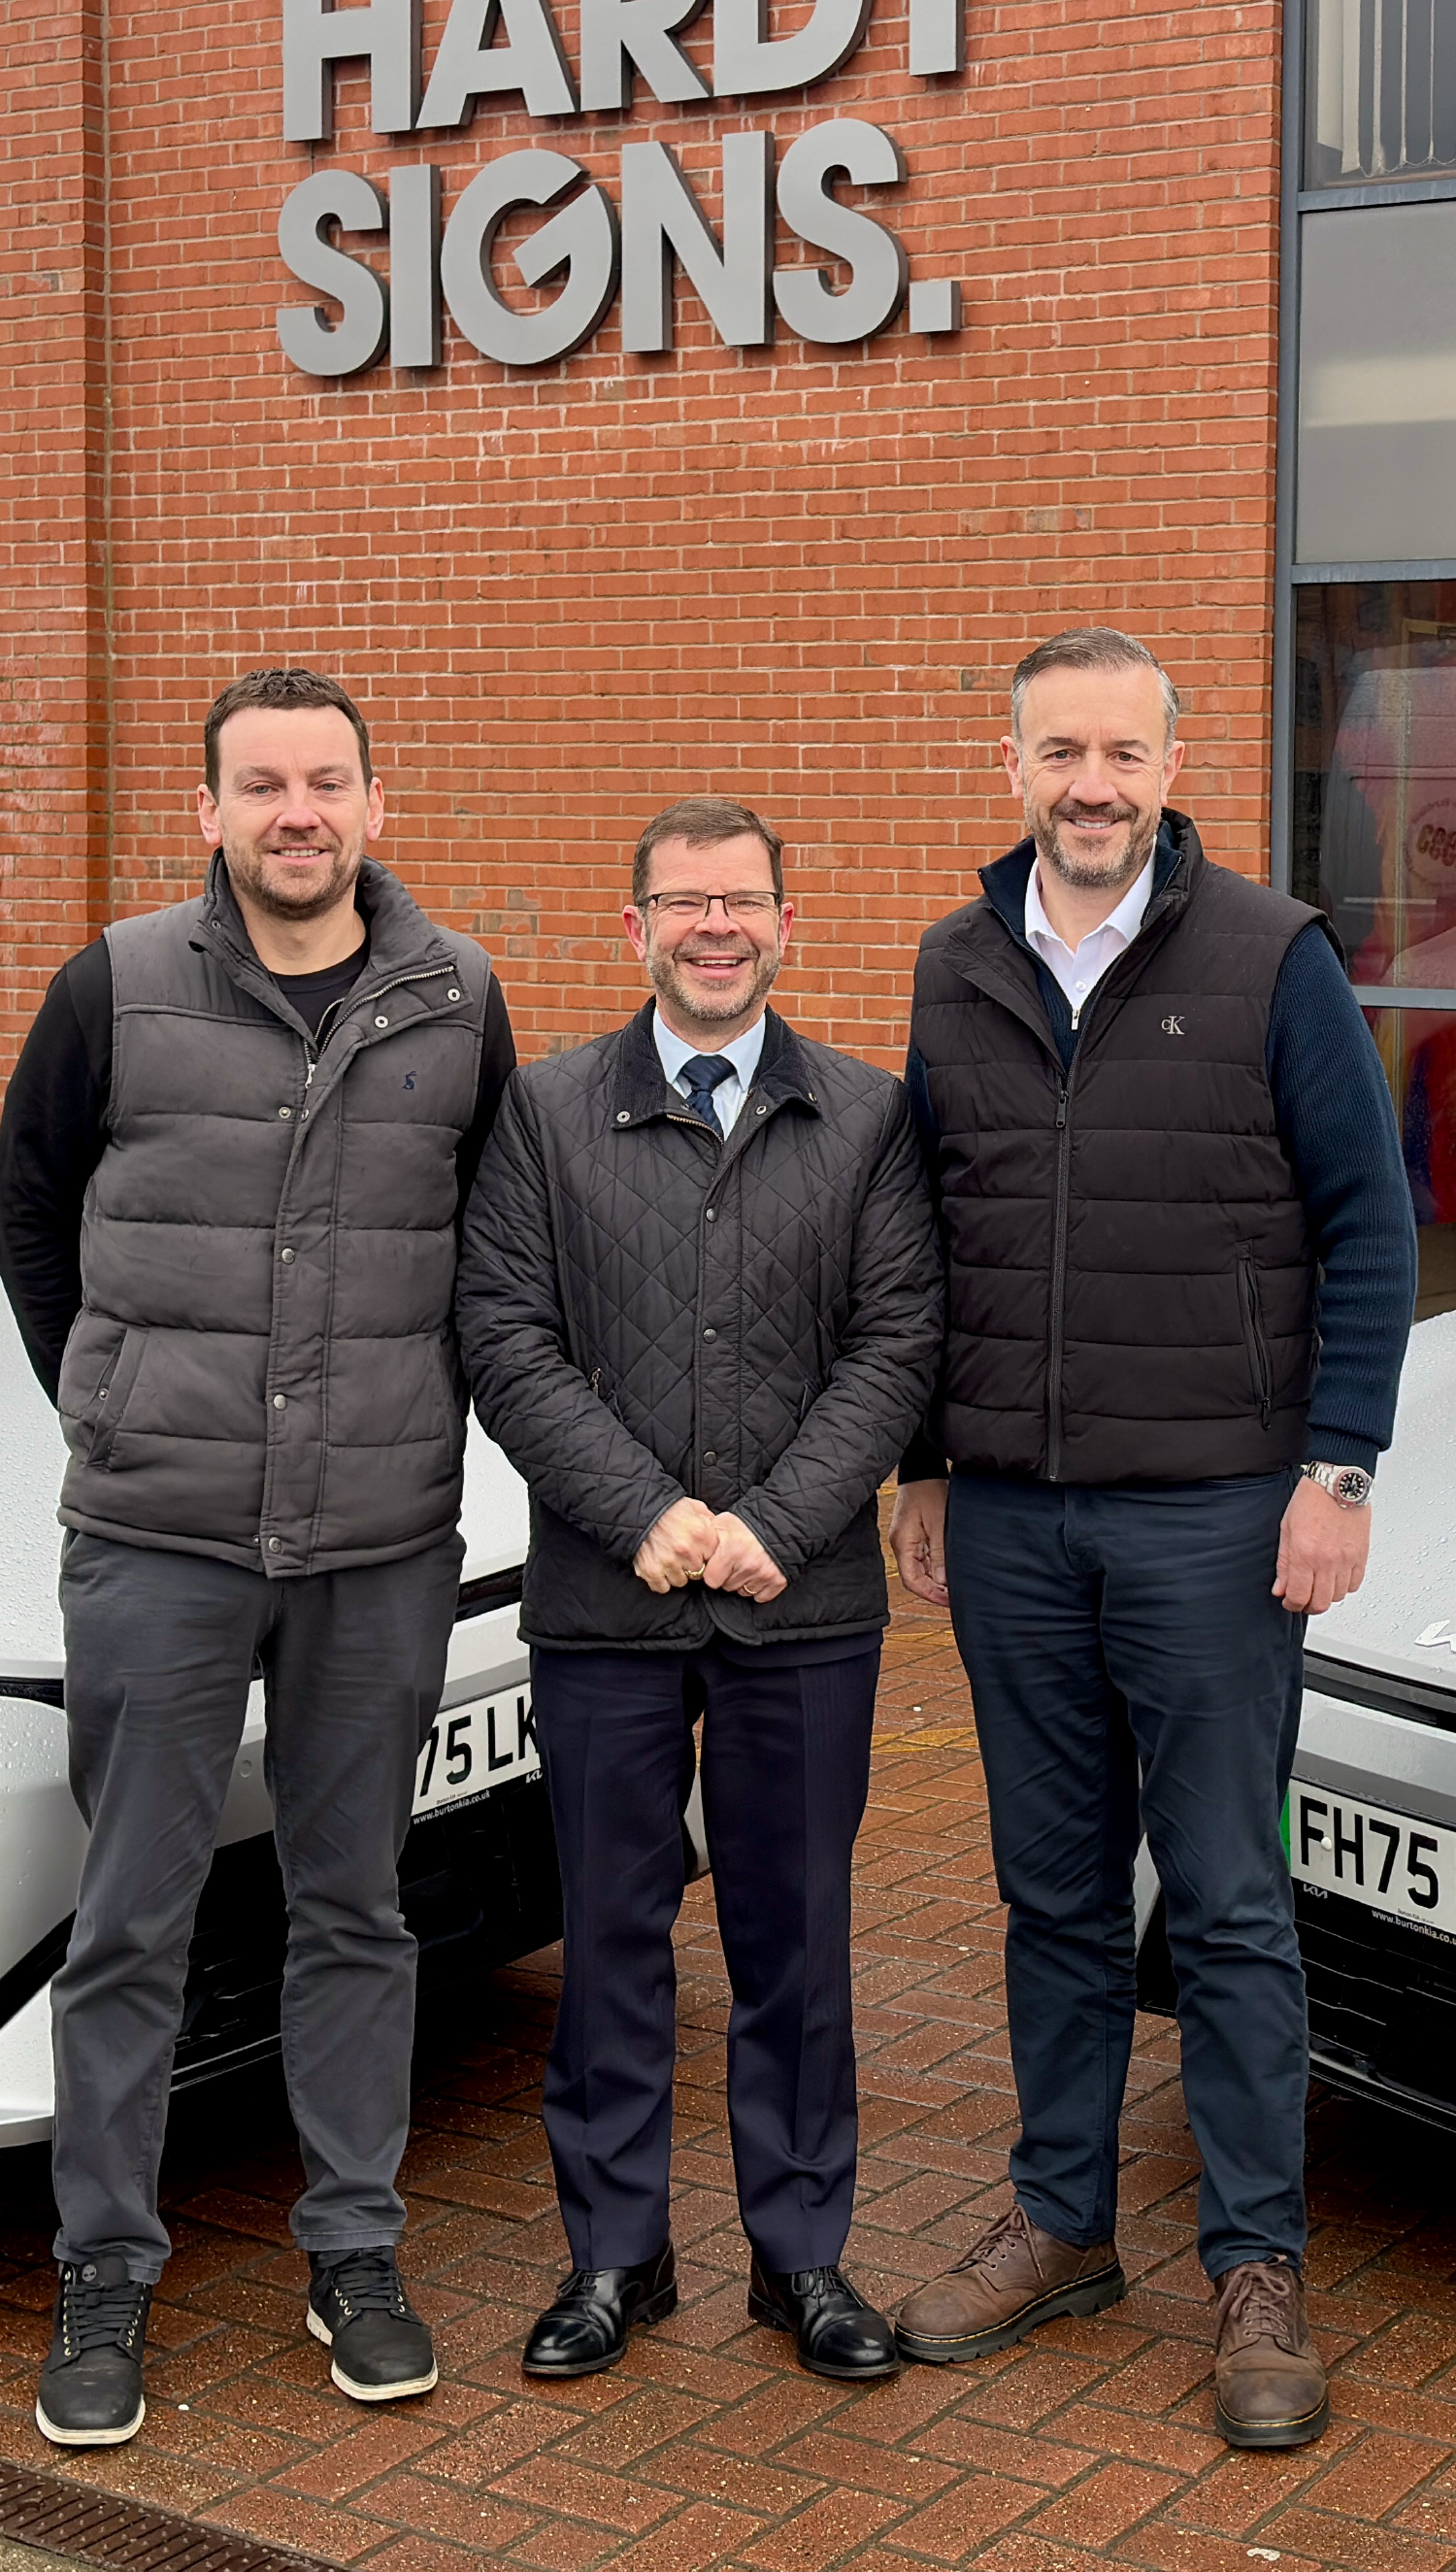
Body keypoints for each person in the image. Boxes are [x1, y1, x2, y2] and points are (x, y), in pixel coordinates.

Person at [881, 625, 1410, 2452]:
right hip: (1015, 1517)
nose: (1088, 783)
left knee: (1231, 1900)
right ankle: (1061, 2220)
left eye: (1120, 751)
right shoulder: (956, 966)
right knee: (1045, 1892)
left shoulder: (1271, 956)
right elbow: (929, 1239)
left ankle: (1253, 2267)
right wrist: (931, 1463)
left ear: (1170, 768)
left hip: (1213, 1518)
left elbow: (1369, 1223)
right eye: (1056, 752)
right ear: (1010, 768)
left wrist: (1337, 1470)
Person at [0, 666, 513, 2453]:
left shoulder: (458, 998)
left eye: (327, 782)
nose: (297, 812)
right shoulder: (115, 986)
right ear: (206, 813)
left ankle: (352, 2249)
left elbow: (493, 1242)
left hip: (376, 1542)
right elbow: (30, 1209)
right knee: (129, 1922)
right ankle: (103, 2272)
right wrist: (106, 1397)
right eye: (261, 784)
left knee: (354, 1912)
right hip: (159, 1537)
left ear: (376, 805)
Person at [453, 798, 941, 2386]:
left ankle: (799, 2255)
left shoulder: (866, 1118)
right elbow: (503, 1338)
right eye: (683, 902)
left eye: (741, 902)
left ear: (787, 923)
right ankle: (616, 2253)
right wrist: (649, 1513)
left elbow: (895, 1346)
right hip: (605, 1602)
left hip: (799, 1606)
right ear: (635, 927)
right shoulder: (540, 1113)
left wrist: (775, 1524)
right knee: (610, 1933)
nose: (713, 927)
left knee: (796, 1936)